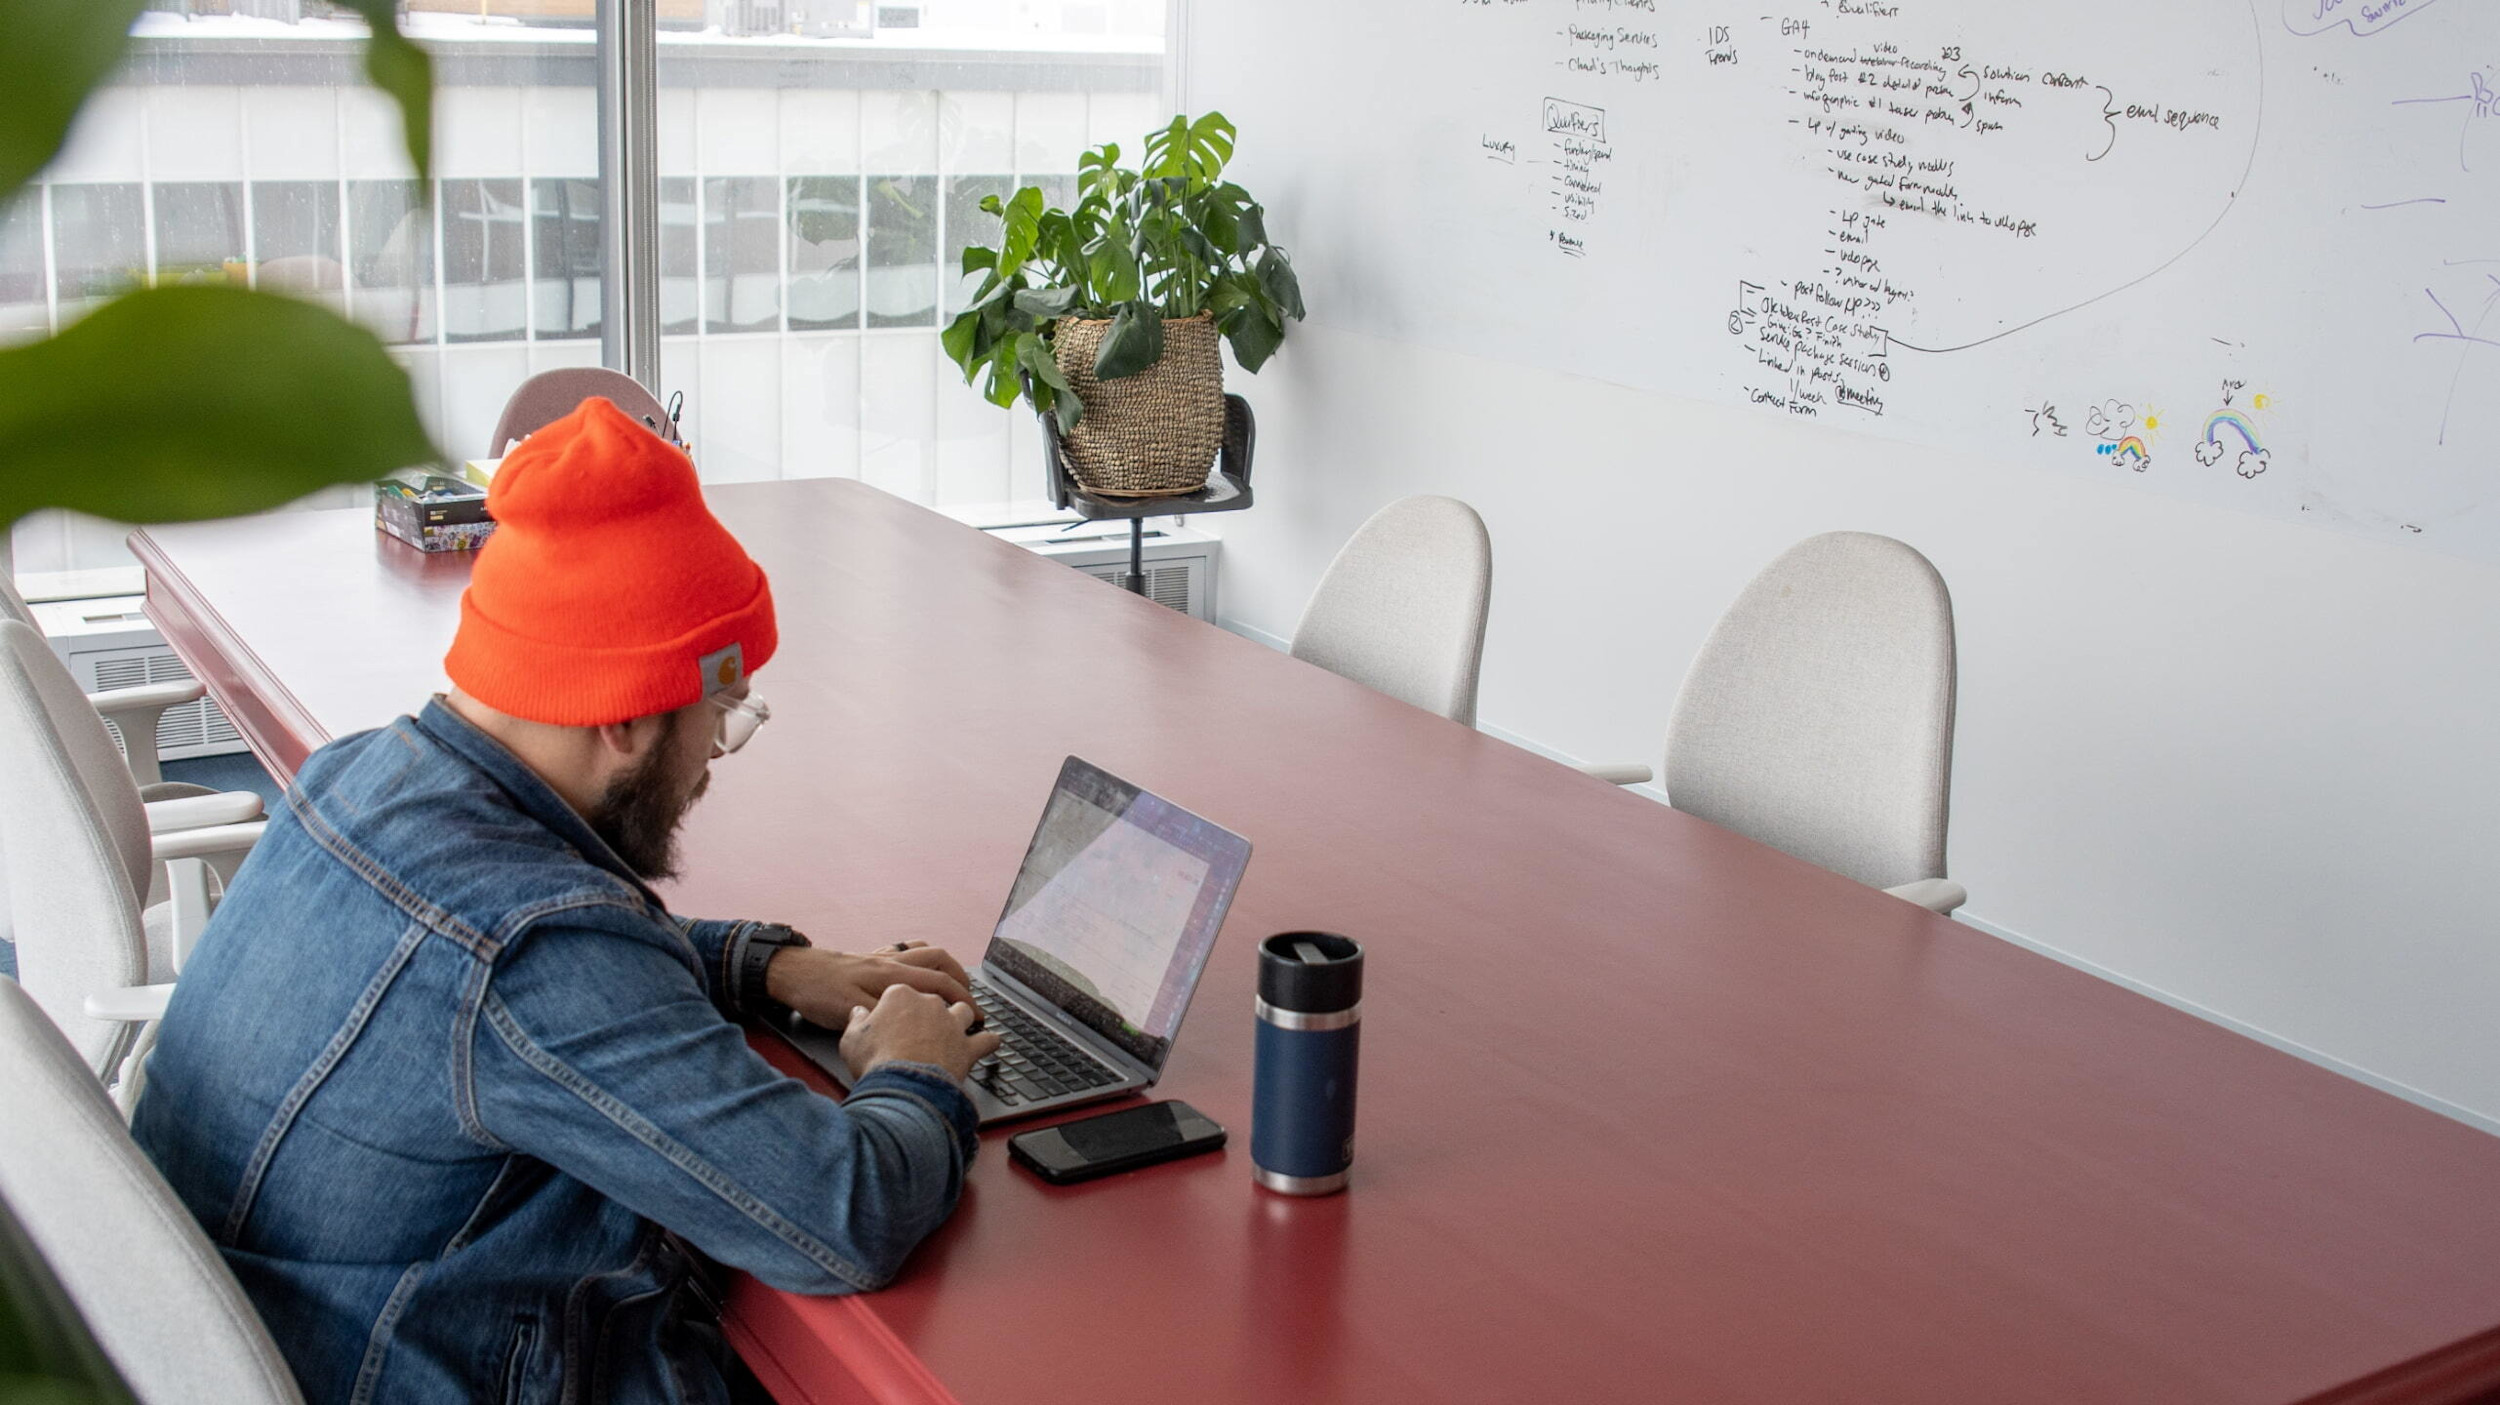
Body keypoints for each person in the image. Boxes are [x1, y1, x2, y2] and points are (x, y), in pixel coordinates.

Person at [132, 397, 1000, 1404]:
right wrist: (915, 1071)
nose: (717, 753)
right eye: (717, 713)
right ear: (626, 720)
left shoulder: (359, 777)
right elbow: (842, 1217)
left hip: (273, 1341)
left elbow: (510, 954)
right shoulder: (534, 955)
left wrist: (761, 965)